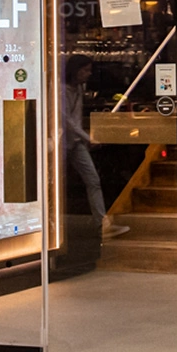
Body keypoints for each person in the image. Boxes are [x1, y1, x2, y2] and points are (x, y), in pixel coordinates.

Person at [64, 55, 129, 239]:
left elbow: (73, 120)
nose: (88, 74)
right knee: (55, 183)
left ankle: (101, 223)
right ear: (75, 71)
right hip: (62, 142)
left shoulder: (78, 89)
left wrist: (84, 139)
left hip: (75, 142)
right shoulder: (62, 90)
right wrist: (87, 137)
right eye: (85, 70)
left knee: (93, 180)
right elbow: (66, 120)